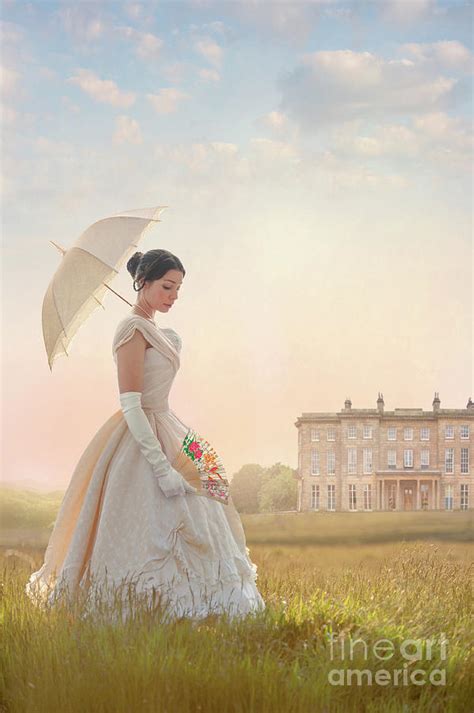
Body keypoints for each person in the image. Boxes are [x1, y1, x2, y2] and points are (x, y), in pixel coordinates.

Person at [25, 249, 266, 623]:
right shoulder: (130, 330)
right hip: (142, 431)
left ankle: (209, 604)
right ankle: (146, 608)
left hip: (172, 424)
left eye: (178, 289)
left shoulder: (153, 329)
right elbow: (132, 404)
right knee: (152, 520)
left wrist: (163, 338)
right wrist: (161, 466)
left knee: (212, 493)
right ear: (143, 283)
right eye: (167, 287)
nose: (173, 295)